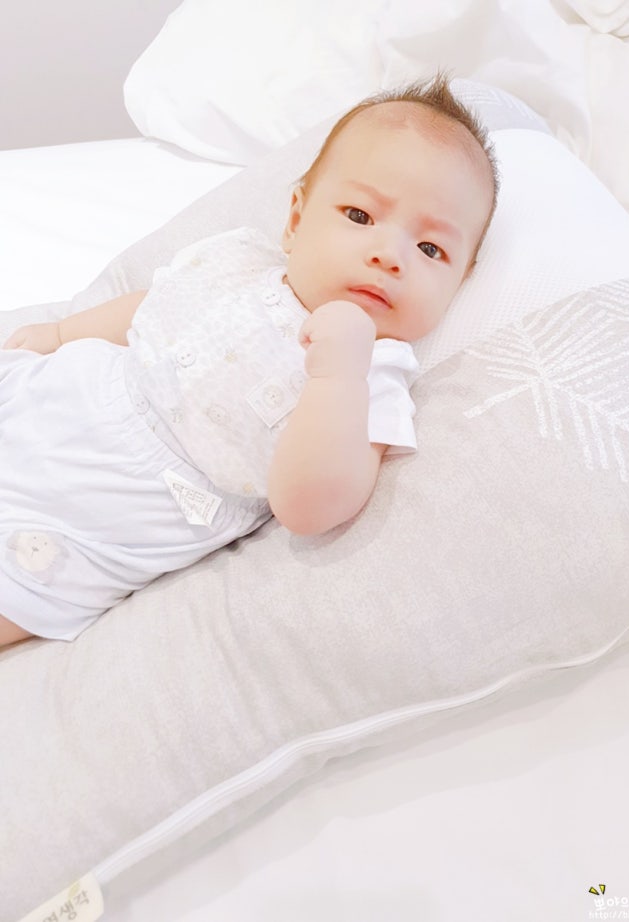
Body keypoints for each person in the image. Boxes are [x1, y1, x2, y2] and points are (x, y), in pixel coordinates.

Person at [0, 74, 498, 646]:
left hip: (126, 505)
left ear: (460, 283)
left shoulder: (376, 376)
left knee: (23, 584)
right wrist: (62, 332)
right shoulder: (239, 260)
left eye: (431, 249)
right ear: (295, 221)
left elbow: (311, 508)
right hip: (64, 394)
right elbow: (154, 309)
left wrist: (338, 372)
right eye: (361, 216)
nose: (389, 255)